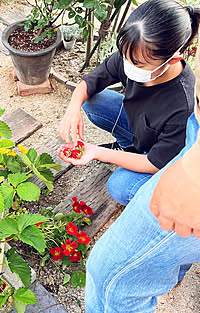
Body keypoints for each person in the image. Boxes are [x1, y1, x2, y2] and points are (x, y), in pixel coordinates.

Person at [57, 0, 200, 206]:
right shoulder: (135, 53)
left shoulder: (182, 105)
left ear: (172, 60)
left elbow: (155, 163)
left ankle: (162, 200)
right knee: (94, 102)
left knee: (120, 187)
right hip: (142, 130)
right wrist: (73, 109)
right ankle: (129, 148)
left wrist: (97, 152)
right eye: (126, 56)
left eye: (137, 64)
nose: (128, 66)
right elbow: (90, 82)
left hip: (163, 159)